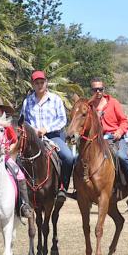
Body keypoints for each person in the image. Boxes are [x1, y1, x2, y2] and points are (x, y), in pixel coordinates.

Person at [20, 70, 75, 201]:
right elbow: (23, 120)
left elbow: (62, 120)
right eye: (37, 83)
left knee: (68, 157)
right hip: (33, 138)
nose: (40, 85)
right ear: (33, 85)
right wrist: (33, 130)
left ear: (46, 83)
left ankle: (63, 188)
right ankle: (21, 191)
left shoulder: (55, 100)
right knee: (17, 158)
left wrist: (46, 129)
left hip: (53, 136)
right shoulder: (27, 102)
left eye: (42, 82)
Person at [89, 77, 128, 198]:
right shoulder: (89, 105)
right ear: (91, 91)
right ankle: (79, 189)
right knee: (79, 158)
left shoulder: (113, 103)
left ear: (104, 89)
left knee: (121, 156)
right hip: (96, 140)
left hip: (115, 138)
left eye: (100, 89)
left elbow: (124, 121)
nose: (97, 92)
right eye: (95, 89)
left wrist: (119, 131)